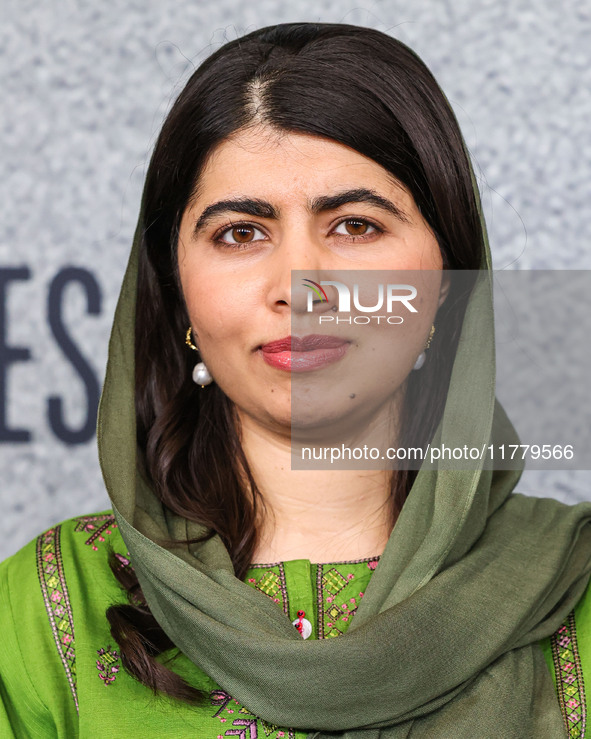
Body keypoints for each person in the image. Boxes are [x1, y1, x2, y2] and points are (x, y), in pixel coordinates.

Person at [0, 21, 589, 738]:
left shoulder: (574, 594)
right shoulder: (39, 613)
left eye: (355, 226)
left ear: (446, 277)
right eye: (240, 233)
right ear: (175, 287)